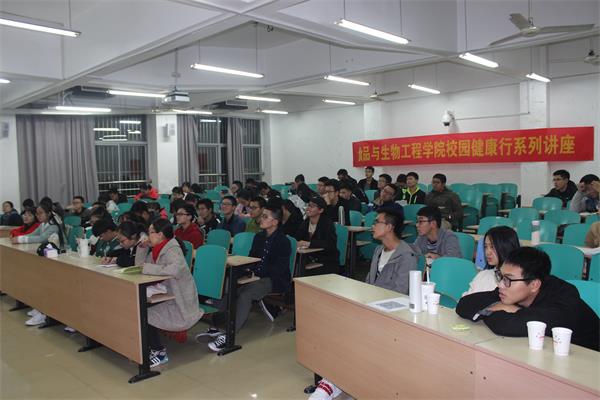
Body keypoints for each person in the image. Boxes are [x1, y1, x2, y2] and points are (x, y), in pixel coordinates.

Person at [309, 207, 417, 400]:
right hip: (371, 309)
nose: (372, 226)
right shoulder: (378, 250)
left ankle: (333, 385)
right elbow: (368, 282)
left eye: (377, 222)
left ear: (389, 227)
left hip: (391, 315)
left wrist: (371, 306)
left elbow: (400, 293)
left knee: (351, 336)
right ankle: (336, 381)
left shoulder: (406, 255)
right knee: (333, 327)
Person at [456, 247, 599, 351]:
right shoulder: (511, 289)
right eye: (501, 277)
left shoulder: (564, 298)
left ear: (534, 285)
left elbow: (505, 326)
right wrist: (509, 310)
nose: (500, 285)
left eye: (508, 279)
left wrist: (504, 311)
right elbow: (464, 304)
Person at [207, 205, 292, 352]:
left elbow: (279, 269)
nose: (261, 219)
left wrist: (255, 273)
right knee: (226, 285)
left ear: (275, 222)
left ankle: (229, 335)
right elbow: (252, 258)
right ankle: (216, 325)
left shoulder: (283, 241)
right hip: (255, 276)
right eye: (262, 216)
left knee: (246, 294)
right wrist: (247, 271)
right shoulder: (259, 237)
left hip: (273, 280)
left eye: (265, 217)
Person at [135, 219, 203, 367]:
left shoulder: (172, 249)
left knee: (145, 314)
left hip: (179, 300)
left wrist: (148, 268)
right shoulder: (156, 249)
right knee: (139, 307)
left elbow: (175, 270)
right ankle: (148, 346)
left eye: (150, 232)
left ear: (160, 234)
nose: (148, 236)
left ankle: (159, 352)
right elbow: (140, 267)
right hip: (165, 294)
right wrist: (141, 248)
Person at [12, 203, 65, 326]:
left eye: (41, 213)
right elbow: (33, 235)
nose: (38, 215)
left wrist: (20, 239)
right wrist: (19, 238)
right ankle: (40, 307)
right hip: (48, 255)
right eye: (37, 213)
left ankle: (44, 313)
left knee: (45, 283)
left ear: (48, 213)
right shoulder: (43, 224)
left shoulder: (53, 226)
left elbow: (42, 238)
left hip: (59, 256)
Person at [463, 226, 520, 296]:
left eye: (492, 247)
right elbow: (465, 299)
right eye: (485, 247)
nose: (487, 252)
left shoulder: (517, 282)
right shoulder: (483, 275)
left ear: (506, 247)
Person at [295, 197, 339, 275]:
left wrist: (309, 244)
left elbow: (330, 244)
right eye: (308, 205)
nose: (308, 208)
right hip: (309, 257)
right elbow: (298, 237)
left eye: (312, 206)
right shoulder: (305, 223)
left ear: (321, 210)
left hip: (325, 260)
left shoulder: (327, 224)